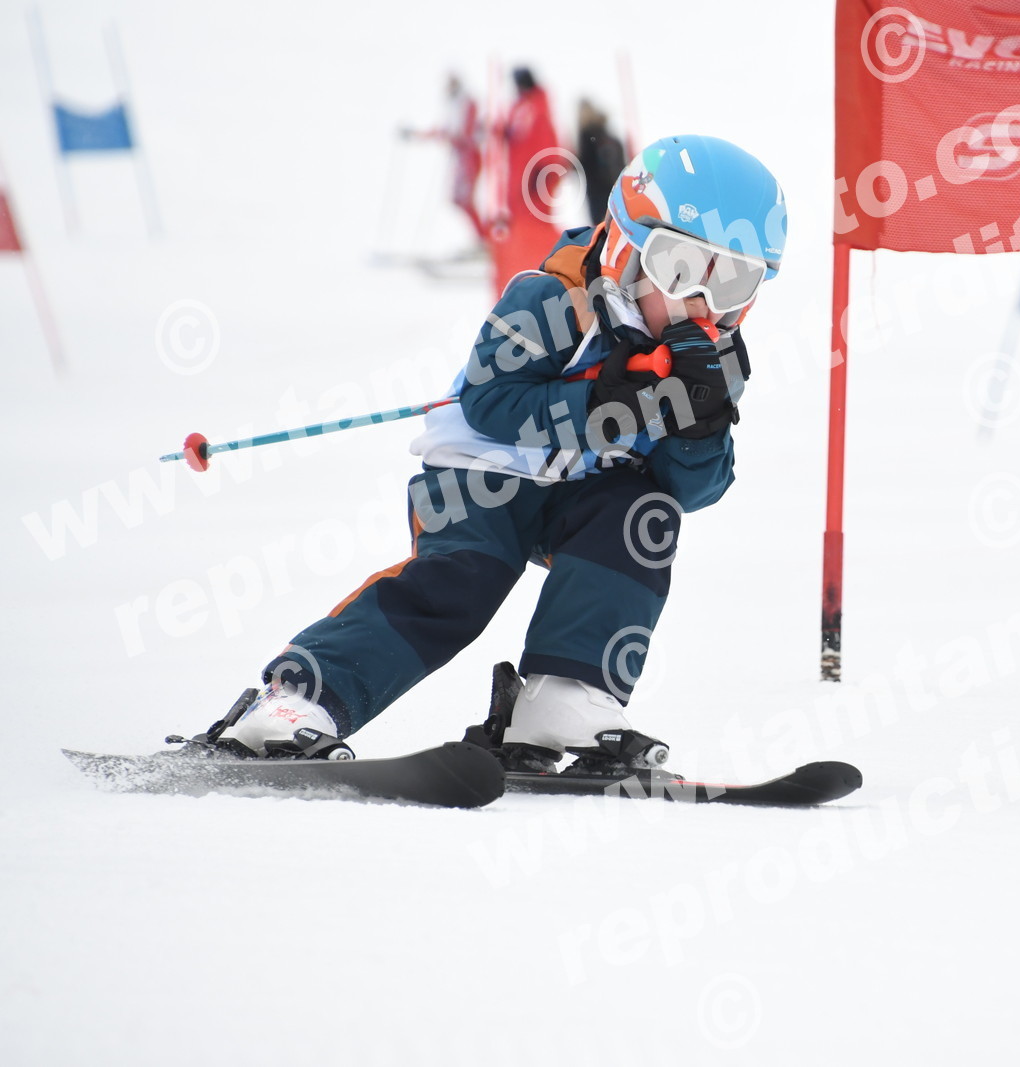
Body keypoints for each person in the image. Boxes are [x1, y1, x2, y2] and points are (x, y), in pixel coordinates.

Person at [197, 135, 786, 775]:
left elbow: (692, 489)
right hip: (485, 473)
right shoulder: (554, 301)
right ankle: (299, 700)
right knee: (463, 581)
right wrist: (601, 407)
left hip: (589, 490)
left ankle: (566, 694)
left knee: (644, 519)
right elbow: (490, 400)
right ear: (627, 249)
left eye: (732, 281)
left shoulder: (712, 362)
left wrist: (701, 426)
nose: (701, 302)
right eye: (680, 268)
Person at [490, 66, 567, 295]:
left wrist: (543, 172)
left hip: (534, 181)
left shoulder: (538, 107)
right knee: (522, 227)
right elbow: (513, 134)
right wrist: (500, 131)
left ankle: (544, 270)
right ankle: (521, 272)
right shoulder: (519, 107)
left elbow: (547, 141)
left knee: (536, 227)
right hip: (520, 181)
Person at [402, 73, 486, 241]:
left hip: (469, 155)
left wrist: (448, 136)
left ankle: (484, 238)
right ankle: (482, 238)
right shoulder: (452, 104)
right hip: (461, 156)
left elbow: (464, 132)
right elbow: (444, 129)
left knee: (463, 198)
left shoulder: (467, 103)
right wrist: (417, 134)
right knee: (458, 199)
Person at [576, 99, 626, 225]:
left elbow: (584, 164)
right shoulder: (608, 138)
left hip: (600, 196)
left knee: (604, 228)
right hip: (617, 193)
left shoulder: (588, 138)